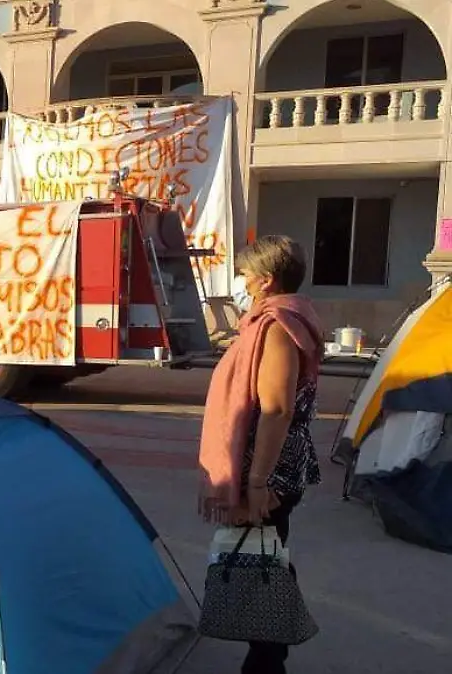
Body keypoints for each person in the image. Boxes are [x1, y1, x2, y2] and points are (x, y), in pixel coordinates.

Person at [197, 236, 324, 674]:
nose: (241, 281)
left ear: (266, 280)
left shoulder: (276, 328)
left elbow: (276, 410)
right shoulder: (280, 318)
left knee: (262, 564)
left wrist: (256, 482)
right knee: (266, 556)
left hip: (269, 469)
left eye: (245, 273)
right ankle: (269, 656)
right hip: (271, 464)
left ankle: (267, 662)